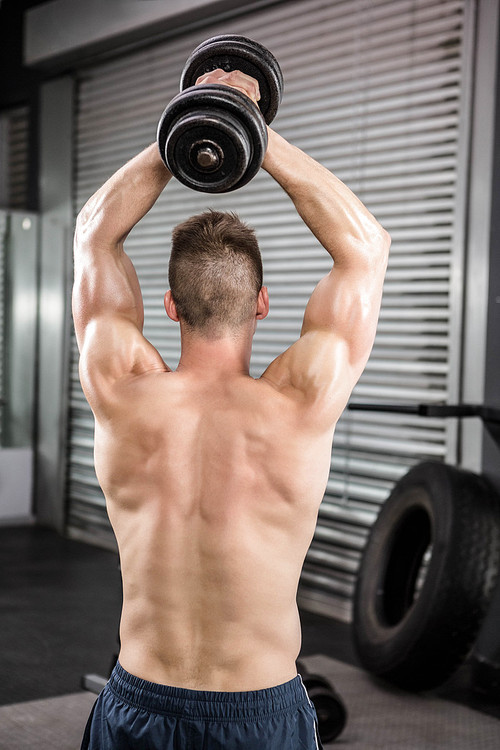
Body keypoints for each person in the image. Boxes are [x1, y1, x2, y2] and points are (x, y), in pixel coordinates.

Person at [74, 68, 390, 750]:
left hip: (137, 704)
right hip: (261, 714)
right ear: (263, 303)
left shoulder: (122, 388)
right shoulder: (301, 399)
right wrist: (253, 130)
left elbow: (94, 234)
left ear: (169, 308)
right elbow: (366, 250)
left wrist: (185, 124)